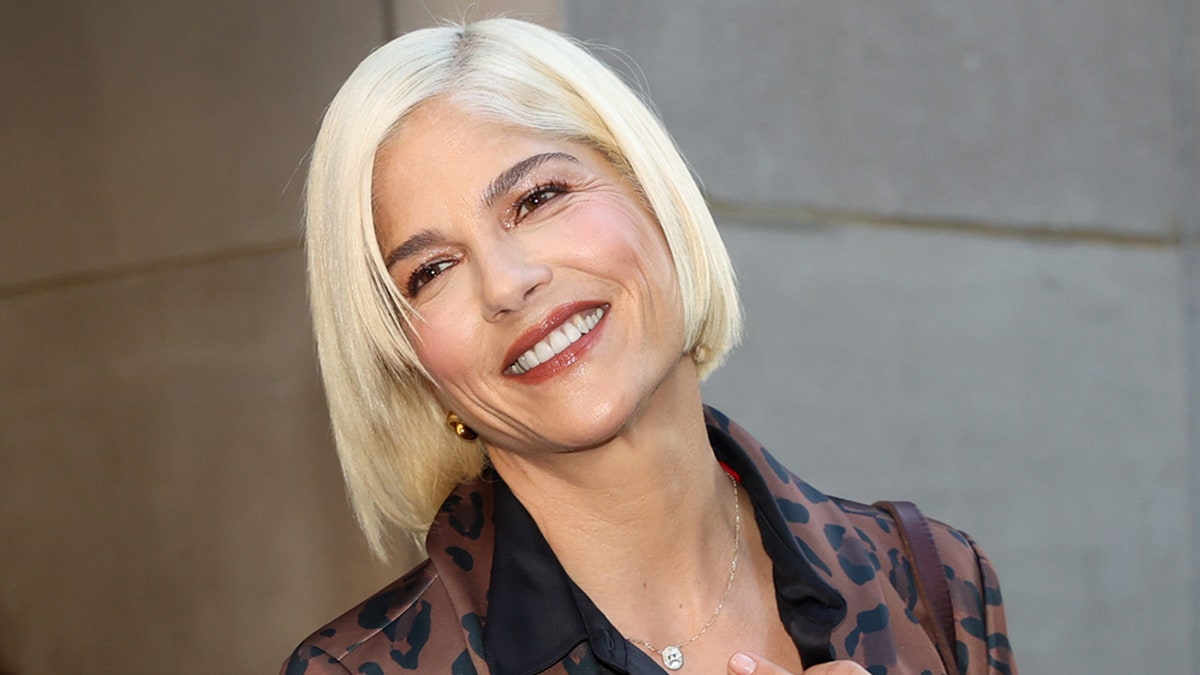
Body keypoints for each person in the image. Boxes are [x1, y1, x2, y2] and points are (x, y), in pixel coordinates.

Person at [281, 17, 1017, 675]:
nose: (506, 284)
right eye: (431, 270)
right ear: (404, 355)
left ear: (652, 194)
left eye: (538, 198)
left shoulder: (932, 586)